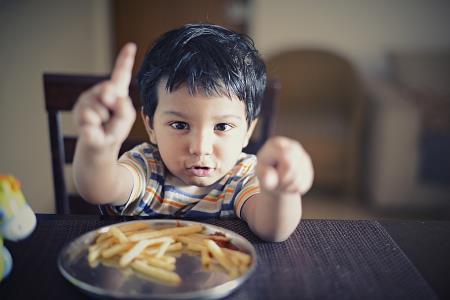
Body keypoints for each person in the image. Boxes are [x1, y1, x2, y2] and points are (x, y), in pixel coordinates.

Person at [72, 23, 313, 242]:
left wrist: (281, 192)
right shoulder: (146, 168)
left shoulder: (241, 177)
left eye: (222, 127)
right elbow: (98, 188)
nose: (200, 147)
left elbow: (272, 230)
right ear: (151, 126)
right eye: (179, 125)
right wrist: (98, 149)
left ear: (247, 131)